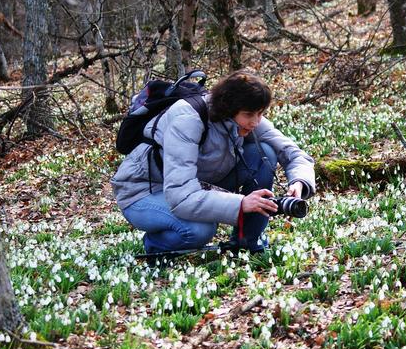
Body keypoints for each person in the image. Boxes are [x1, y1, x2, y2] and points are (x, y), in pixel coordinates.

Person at [111, 70, 316, 254]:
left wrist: (299, 182)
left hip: (197, 183)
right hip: (144, 191)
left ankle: (248, 241)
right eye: (249, 115)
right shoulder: (187, 120)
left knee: (266, 153)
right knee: (199, 230)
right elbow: (180, 196)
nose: (255, 122)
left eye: (260, 113)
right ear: (228, 108)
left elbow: (292, 152)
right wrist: (241, 203)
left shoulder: (248, 118)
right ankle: (157, 246)